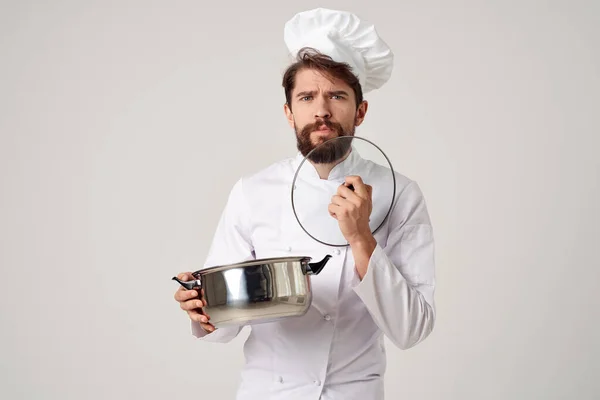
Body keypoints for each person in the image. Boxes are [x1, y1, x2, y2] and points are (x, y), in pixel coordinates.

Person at [174, 7, 436, 400]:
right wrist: (201, 308)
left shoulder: (401, 193)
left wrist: (362, 238)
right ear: (289, 112)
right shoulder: (252, 191)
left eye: (337, 96)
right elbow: (223, 329)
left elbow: (412, 329)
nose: (322, 111)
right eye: (307, 97)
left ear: (360, 111)